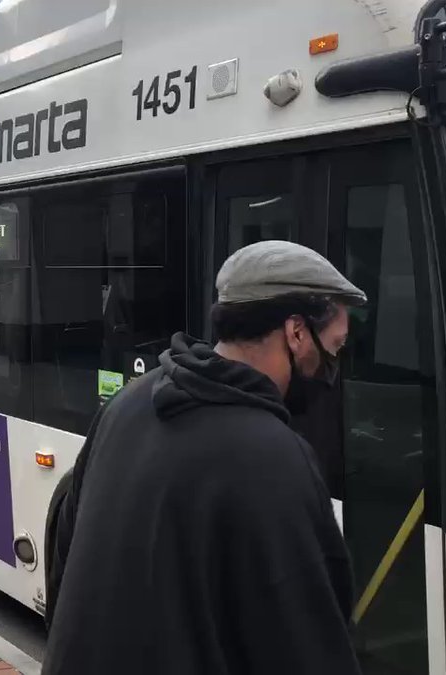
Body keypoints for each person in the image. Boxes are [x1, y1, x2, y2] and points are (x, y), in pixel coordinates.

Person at [43, 240, 367, 675]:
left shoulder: (124, 406)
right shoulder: (275, 458)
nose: (332, 366)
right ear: (296, 332)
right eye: (334, 347)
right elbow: (307, 644)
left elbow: (63, 563)